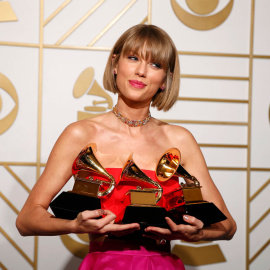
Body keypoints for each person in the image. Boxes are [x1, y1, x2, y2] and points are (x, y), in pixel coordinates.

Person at [16, 24, 236, 269]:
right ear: (115, 64)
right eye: (133, 58)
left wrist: (197, 234)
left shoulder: (180, 139)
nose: (141, 71)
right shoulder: (80, 133)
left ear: (165, 79)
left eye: (155, 64)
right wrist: (73, 225)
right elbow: (26, 220)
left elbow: (227, 227)